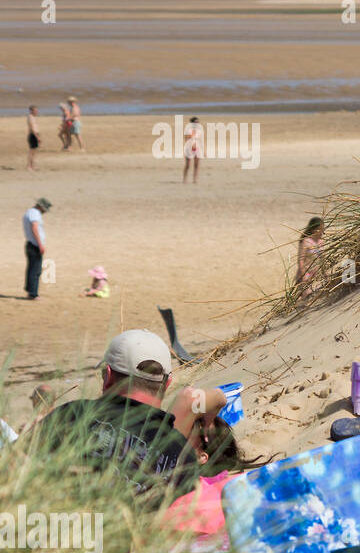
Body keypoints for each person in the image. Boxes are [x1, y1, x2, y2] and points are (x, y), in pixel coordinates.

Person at [32, 330, 231, 499]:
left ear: (108, 376)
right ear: (167, 384)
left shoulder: (73, 414)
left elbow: (14, 466)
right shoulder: (182, 455)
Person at [22, 197, 51, 300]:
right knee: (35, 270)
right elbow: (34, 227)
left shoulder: (30, 212)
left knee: (32, 269)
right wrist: (40, 244)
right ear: (41, 207)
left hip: (31, 244)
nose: (45, 212)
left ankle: (30, 290)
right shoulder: (34, 213)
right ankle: (33, 293)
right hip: (34, 245)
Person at [296, 216, 324, 287]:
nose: (321, 231)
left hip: (316, 275)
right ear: (312, 229)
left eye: (322, 229)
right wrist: (304, 276)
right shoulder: (306, 241)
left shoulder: (321, 242)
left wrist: (324, 273)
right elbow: (301, 260)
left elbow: (322, 259)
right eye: (319, 229)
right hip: (306, 274)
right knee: (306, 295)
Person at [183, 116, 203, 183]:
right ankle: (185, 179)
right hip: (189, 148)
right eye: (196, 122)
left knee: (196, 165)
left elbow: (200, 140)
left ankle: (195, 179)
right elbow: (186, 139)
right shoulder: (188, 130)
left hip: (197, 148)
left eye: (198, 122)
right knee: (188, 165)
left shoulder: (199, 131)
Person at [25, 106, 39, 171]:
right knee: (31, 152)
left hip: (35, 134)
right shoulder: (30, 117)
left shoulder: (33, 117)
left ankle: (32, 166)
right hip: (32, 135)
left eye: (37, 110)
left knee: (34, 152)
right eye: (35, 110)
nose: (37, 112)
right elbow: (32, 128)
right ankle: (28, 166)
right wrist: (37, 137)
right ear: (31, 111)